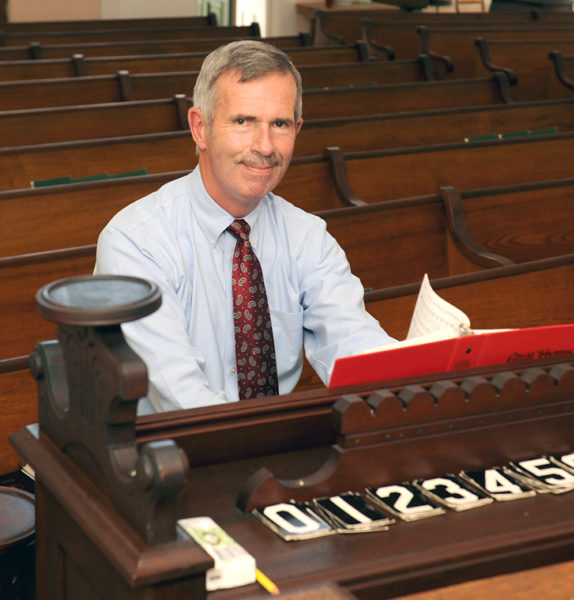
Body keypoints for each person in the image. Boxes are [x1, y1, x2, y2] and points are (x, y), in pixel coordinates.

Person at [94, 40, 396, 413]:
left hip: (275, 448)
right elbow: (179, 393)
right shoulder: (136, 241)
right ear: (200, 128)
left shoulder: (307, 237)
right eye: (243, 121)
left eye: (280, 124)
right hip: (168, 456)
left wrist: (420, 375)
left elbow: (354, 343)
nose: (265, 146)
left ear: (297, 129)